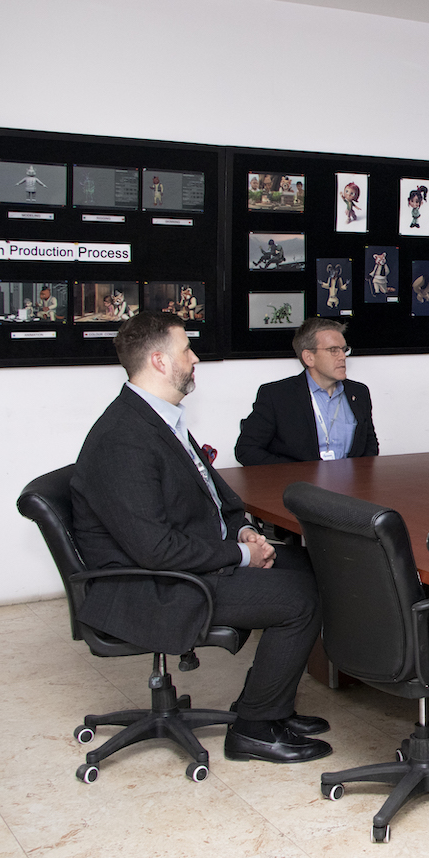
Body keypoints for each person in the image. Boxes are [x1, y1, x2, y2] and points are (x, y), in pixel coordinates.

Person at [71, 312, 331, 763]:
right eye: (186, 350)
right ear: (159, 361)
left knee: (317, 568)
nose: (195, 359)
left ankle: (267, 705)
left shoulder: (158, 419)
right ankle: (254, 730)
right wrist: (241, 555)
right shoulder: (124, 438)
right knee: (298, 599)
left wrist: (244, 529)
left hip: (180, 560)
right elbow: (154, 549)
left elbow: (214, 495)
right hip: (150, 586)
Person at [235, 318, 379, 465]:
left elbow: (370, 445)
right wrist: (296, 473)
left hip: (350, 479)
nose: (342, 357)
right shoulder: (277, 396)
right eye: (333, 350)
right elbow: (247, 450)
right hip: (298, 479)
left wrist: (359, 474)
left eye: (344, 349)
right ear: (309, 358)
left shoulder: (359, 393)